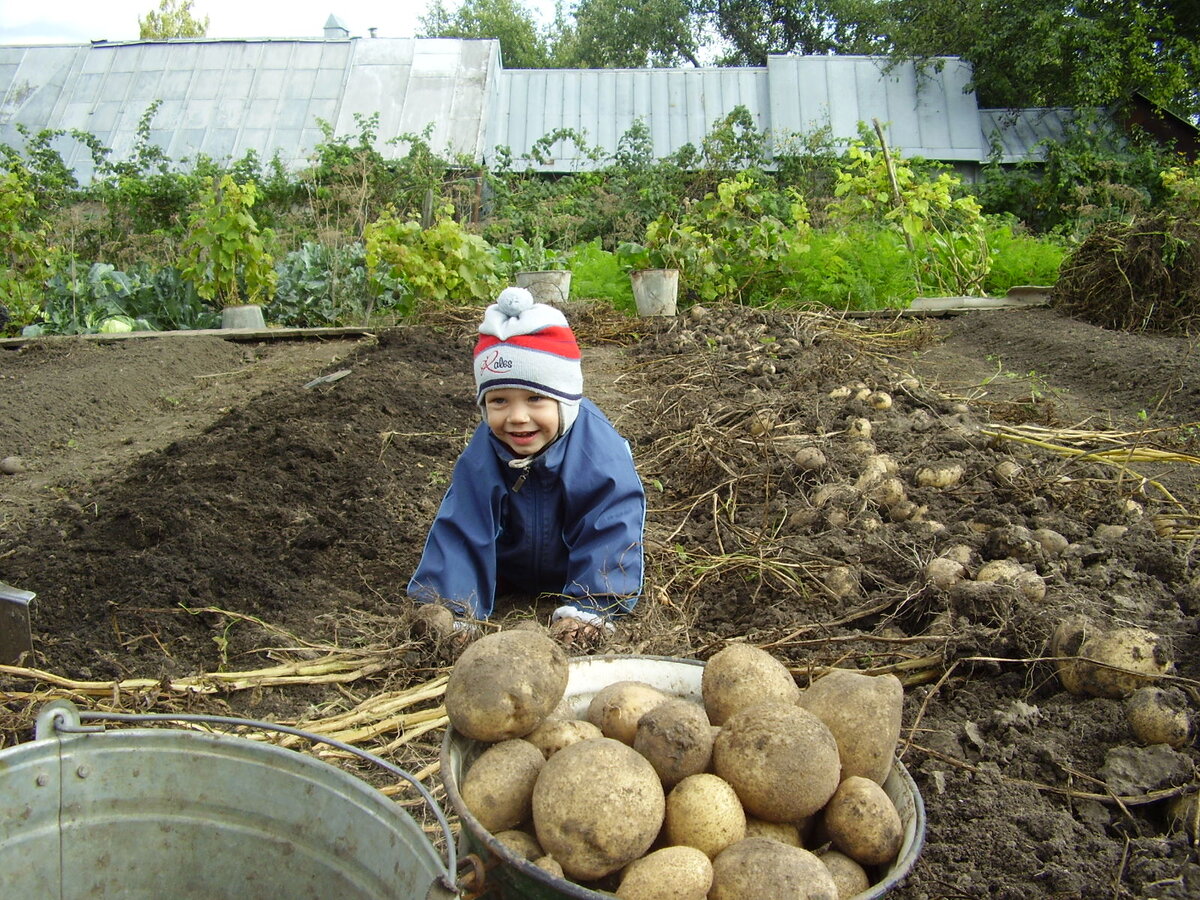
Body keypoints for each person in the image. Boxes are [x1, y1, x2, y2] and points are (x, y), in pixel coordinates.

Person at [407, 287, 646, 647]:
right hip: (511, 570)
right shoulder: (484, 452)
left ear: (564, 400)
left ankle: (588, 604)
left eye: (535, 399)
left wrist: (592, 607)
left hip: (571, 568)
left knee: (604, 544)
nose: (518, 418)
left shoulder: (598, 453)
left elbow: (611, 526)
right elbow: (462, 527)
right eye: (499, 400)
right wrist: (452, 610)